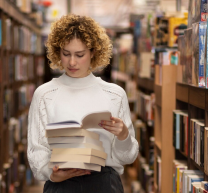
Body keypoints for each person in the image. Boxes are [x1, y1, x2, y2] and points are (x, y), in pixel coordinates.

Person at [27, 14, 139, 193]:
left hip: (105, 184)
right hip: (60, 184)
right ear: (58, 51)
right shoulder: (44, 94)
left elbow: (128, 156)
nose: (72, 62)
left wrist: (124, 135)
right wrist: (52, 174)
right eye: (66, 54)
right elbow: (37, 148)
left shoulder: (114, 94)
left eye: (79, 55)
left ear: (93, 52)